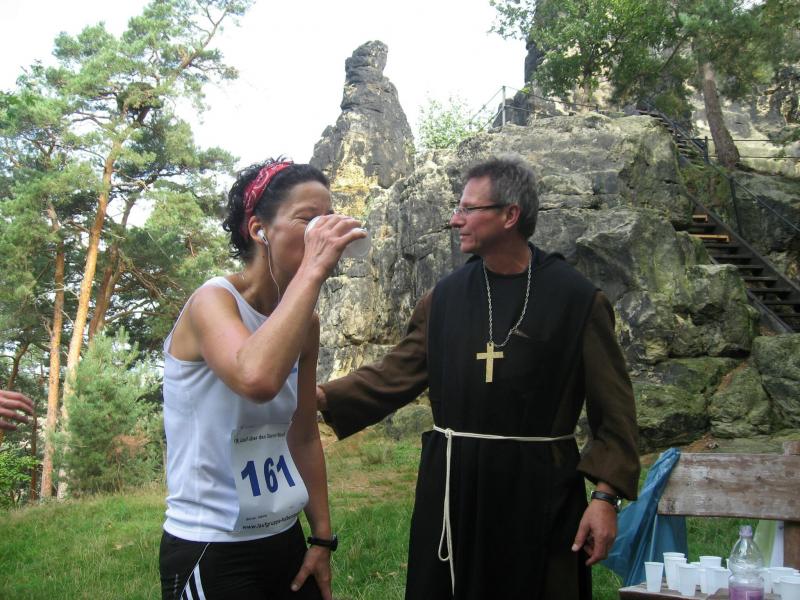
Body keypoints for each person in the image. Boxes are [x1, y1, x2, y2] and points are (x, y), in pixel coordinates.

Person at [317, 155, 640, 600]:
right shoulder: (445, 298)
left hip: (538, 491)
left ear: (510, 215)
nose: (455, 219)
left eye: (468, 209)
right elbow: (397, 372)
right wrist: (319, 396)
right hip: (454, 487)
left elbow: (616, 412)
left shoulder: (577, 300)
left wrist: (604, 499)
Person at [160, 158, 365, 600]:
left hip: (282, 536)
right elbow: (256, 378)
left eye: (328, 218)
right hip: (211, 543)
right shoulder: (212, 302)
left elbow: (303, 434)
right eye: (308, 219)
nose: (323, 231)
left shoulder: (305, 324)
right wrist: (312, 270)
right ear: (259, 230)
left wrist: (322, 538)